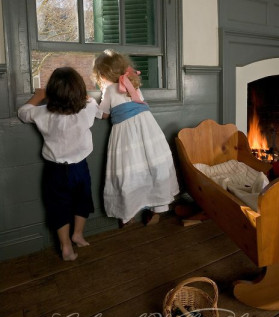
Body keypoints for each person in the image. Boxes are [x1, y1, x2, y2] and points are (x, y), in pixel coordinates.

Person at [18, 67, 102, 261]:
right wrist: (83, 94)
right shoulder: (87, 110)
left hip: (54, 170)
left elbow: (23, 112)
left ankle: (66, 246)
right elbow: (92, 101)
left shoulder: (42, 114)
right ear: (79, 92)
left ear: (51, 92)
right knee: (83, 200)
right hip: (80, 167)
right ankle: (78, 234)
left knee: (58, 206)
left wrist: (39, 96)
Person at [93, 49, 179, 227]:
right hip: (148, 129)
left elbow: (103, 114)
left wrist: (92, 103)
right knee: (153, 165)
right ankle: (159, 207)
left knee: (128, 170)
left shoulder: (109, 89)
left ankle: (127, 213)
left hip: (126, 134)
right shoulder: (134, 85)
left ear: (103, 74)